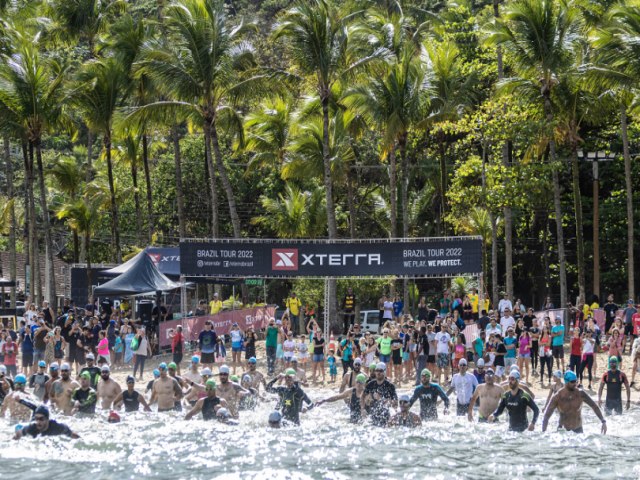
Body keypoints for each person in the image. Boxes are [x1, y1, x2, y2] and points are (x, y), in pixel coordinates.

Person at [542, 370, 607, 434]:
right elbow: (547, 416)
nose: (575, 384)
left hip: (578, 430)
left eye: (576, 381)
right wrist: (543, 433)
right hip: (563, 431)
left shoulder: (580, 394)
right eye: (572, 382)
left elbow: (594, 406)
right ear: (566, 382)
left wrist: (603, 421)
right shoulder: (558, 397)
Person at [361, 362, 397, 427]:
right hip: (372, 415)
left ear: (384, 372)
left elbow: (395, 403)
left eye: (380, 370)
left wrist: (382, 399)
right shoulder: (370, 384)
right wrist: (362, 409)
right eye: (376, 370)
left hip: (385, 416)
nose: (378, 372)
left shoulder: (390, 386)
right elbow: (362, 396)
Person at [14, 405, 79, 439]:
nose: (38, 422)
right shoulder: (31, 428)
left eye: (41, 419)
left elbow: (73, 435)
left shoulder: (57, 427)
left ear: (47, 419)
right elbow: (17, 435)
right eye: (36, 418)